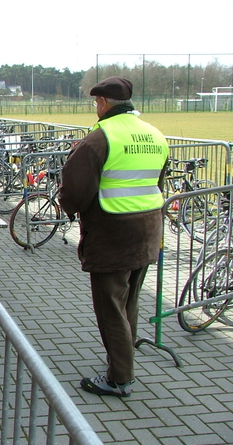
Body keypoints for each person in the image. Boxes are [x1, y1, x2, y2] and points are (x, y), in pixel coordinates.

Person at [58, 76, 170, 397]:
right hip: (148, 231)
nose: (96, 108)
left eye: (96, 103)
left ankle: (120, 377)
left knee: (110, 307)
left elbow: (76, 187)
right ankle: (124, 359)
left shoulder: (100, 137)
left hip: (112, 235)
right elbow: (157, 179)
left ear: (104, 103)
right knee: (128, 302)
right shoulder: (155, 134)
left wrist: (66, 208)